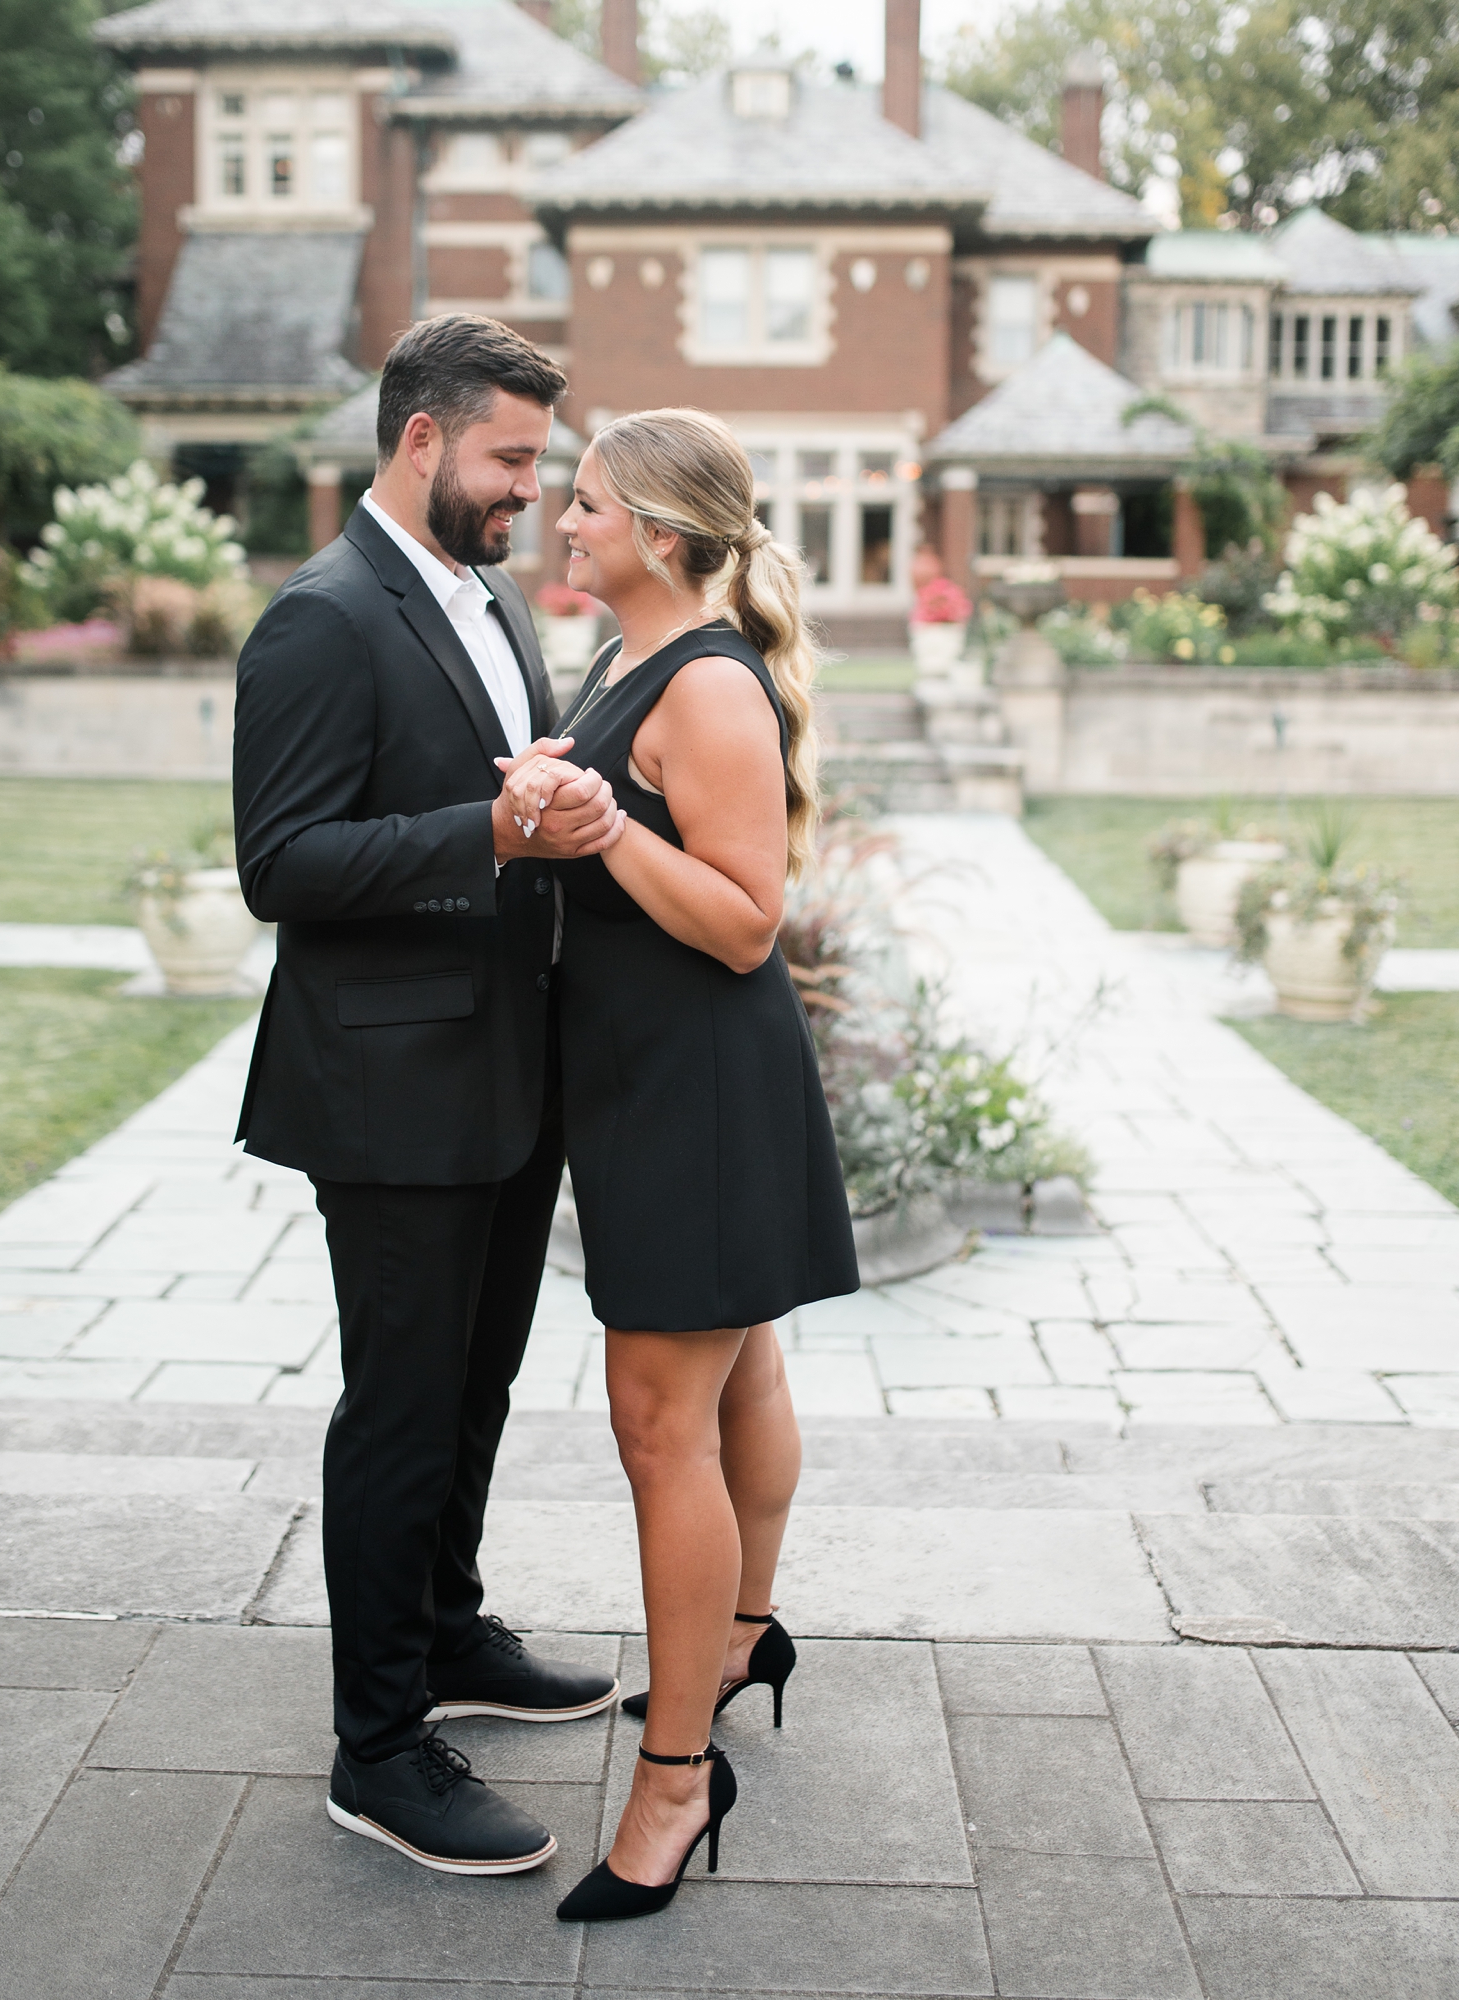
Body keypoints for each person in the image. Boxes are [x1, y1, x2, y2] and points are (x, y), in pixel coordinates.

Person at [231, 315, 628, 1877]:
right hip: (391, 1090)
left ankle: (450, 1633)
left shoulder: (495, 598)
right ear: (421, 441)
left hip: (507, 1071)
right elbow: (284, 865)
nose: (534, 489)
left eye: (541, 460)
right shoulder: (320, 620)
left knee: (475, 1390)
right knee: (400, 1410)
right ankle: (378, 1746)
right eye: (513, 458)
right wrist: (494, 830)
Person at [495, 408, 859, 1923]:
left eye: (582, 507)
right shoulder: (630, 658)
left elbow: (745, 918)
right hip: (657, 1079)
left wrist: (596, 834)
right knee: (741, 1366)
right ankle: (746, 1628)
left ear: (657, 531)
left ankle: (675, 1775)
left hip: (698, 1090)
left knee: (659, 1422)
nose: (557, 525)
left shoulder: (708, 685)